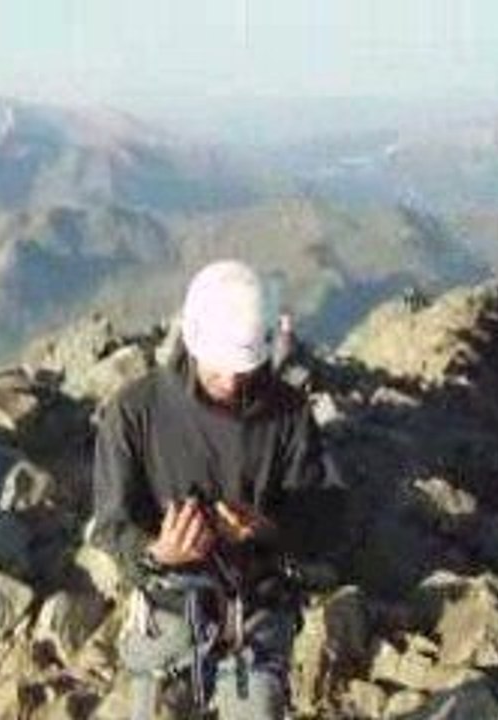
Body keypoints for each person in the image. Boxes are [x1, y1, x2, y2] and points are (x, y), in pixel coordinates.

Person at [92, 260, 343, 719]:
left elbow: (324, 514)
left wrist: (269, 528)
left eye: (243, 369)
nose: (231, 381)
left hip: (256, 600)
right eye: (220, 368)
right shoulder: (133, 413)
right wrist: (158, 552)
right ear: (191, 339)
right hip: (168, 598)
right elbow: (111, 523)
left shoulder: (288, 414)